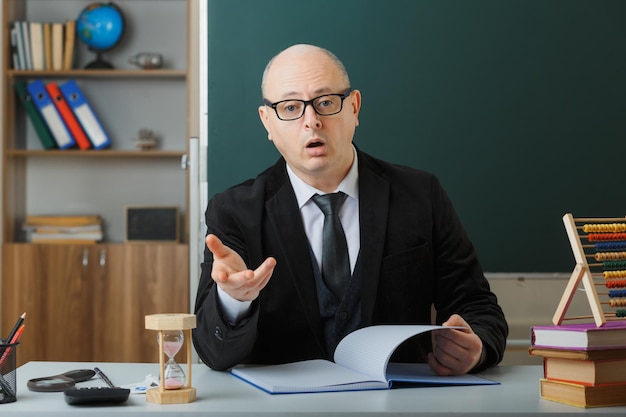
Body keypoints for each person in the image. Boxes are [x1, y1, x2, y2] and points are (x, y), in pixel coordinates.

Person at [192, 44, 508, 375]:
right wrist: (234, 300)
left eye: (326, 102)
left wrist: (477, 348)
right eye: (290, 107)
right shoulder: (233, 211)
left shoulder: (420, 195)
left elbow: (478, 307)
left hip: (399, 404)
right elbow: (213, 353)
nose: (311, 121)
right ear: (267, 122)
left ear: (354, 107)